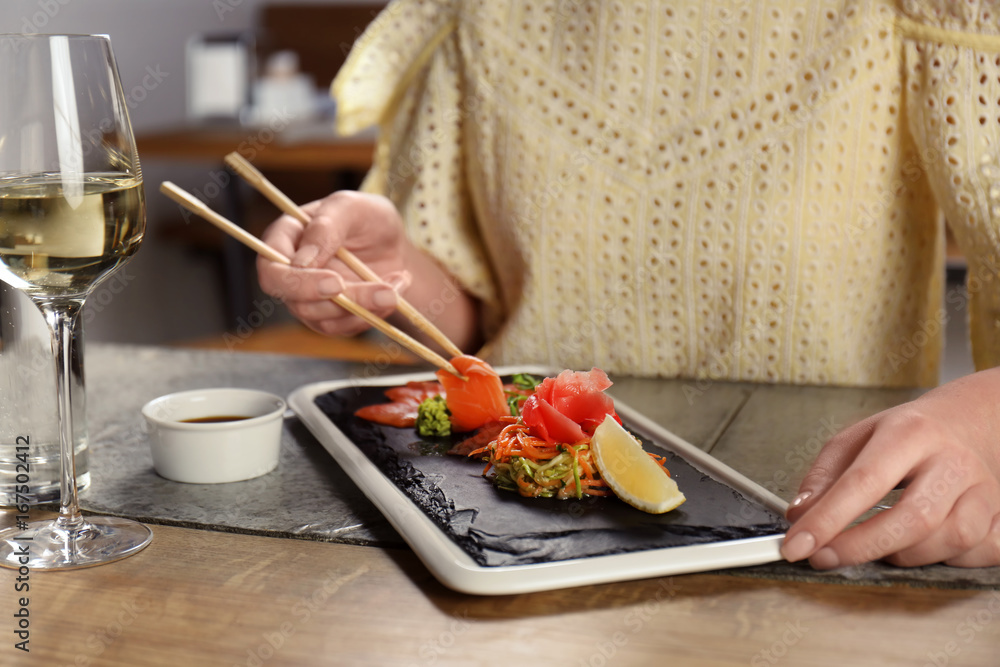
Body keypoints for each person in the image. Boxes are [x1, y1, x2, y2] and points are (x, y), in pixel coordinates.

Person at [257, 0, 1000, 569]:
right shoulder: (476, 14)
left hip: (822, 523)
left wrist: (982, 422)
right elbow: (477, 323)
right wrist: (390, 274)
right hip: (520, 539)